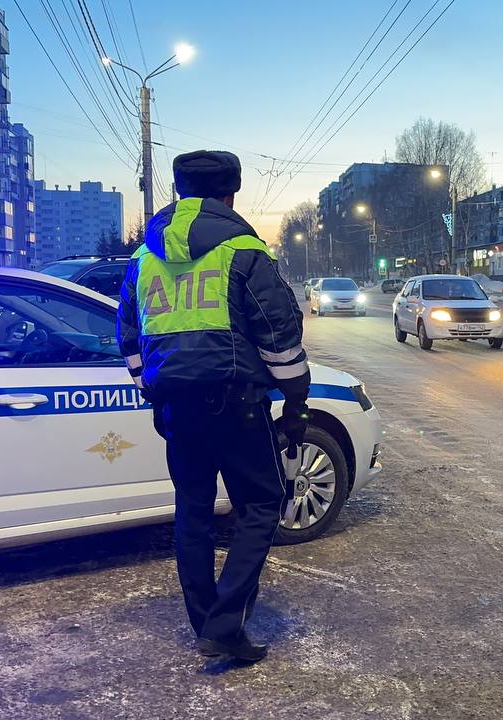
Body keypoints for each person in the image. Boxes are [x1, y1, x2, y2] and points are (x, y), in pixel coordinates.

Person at [117, 150, 309, 662]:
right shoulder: (243, 250)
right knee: (264, 503)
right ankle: (225, 624)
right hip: (236, 402)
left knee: (193, 513)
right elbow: (279, 337)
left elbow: (131, 341)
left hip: (177, 408)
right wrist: (296, 395)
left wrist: (154, 391)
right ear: (231, 193)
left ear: (178, 190)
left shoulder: (144, 257)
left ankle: (207, 623)